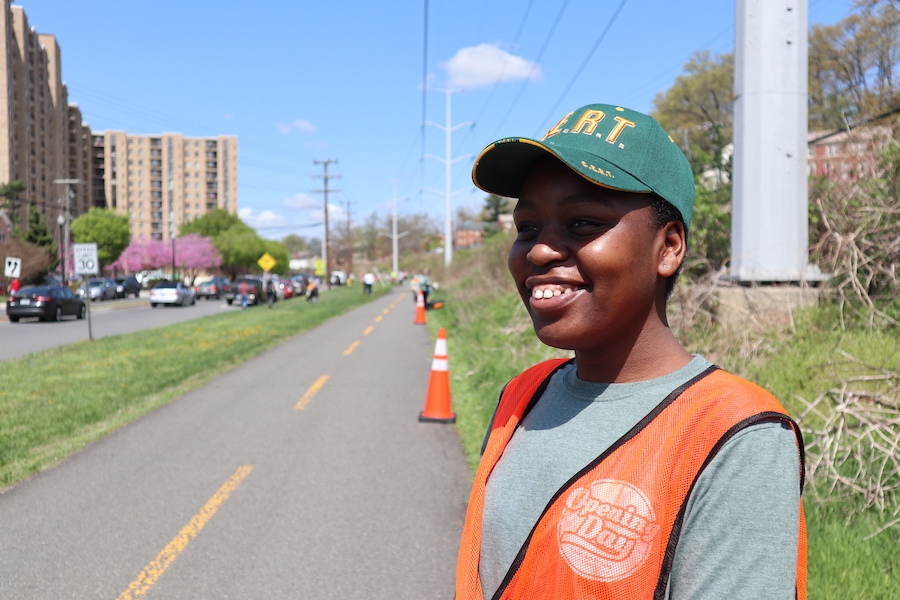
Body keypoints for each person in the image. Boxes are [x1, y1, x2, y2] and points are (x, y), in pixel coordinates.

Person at [455, 103, 806, 600]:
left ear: (669, 247)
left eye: (581, 223)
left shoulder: (734, 434)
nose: (538, 251)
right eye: (527, 228)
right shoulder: (523, 395)